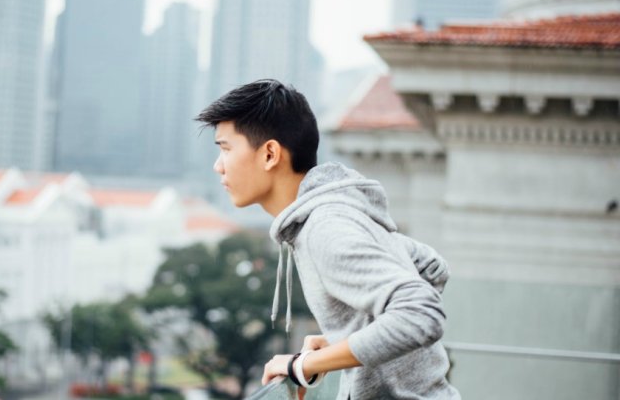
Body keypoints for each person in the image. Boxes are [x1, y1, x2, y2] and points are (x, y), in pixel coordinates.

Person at [195, 79, 460, 399]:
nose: (217, 166)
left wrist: (307, 364)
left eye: (225, 149)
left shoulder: (326, 229)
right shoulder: (337, 215)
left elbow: (422, 313)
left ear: (269, 154)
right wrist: (344, 342)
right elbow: (431, 267)